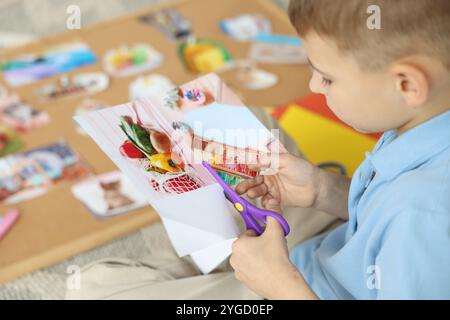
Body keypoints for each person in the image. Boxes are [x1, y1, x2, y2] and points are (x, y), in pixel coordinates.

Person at [232, 0, 450, 299]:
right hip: (330, 253)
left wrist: (281, 285)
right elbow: (385, 212)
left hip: (304, 285)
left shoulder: (421, 217)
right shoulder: (420, 122)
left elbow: (409, 216)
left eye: (327, 78)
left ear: (407, 85)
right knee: (247, 118)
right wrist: (322, 189)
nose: (314, 86)